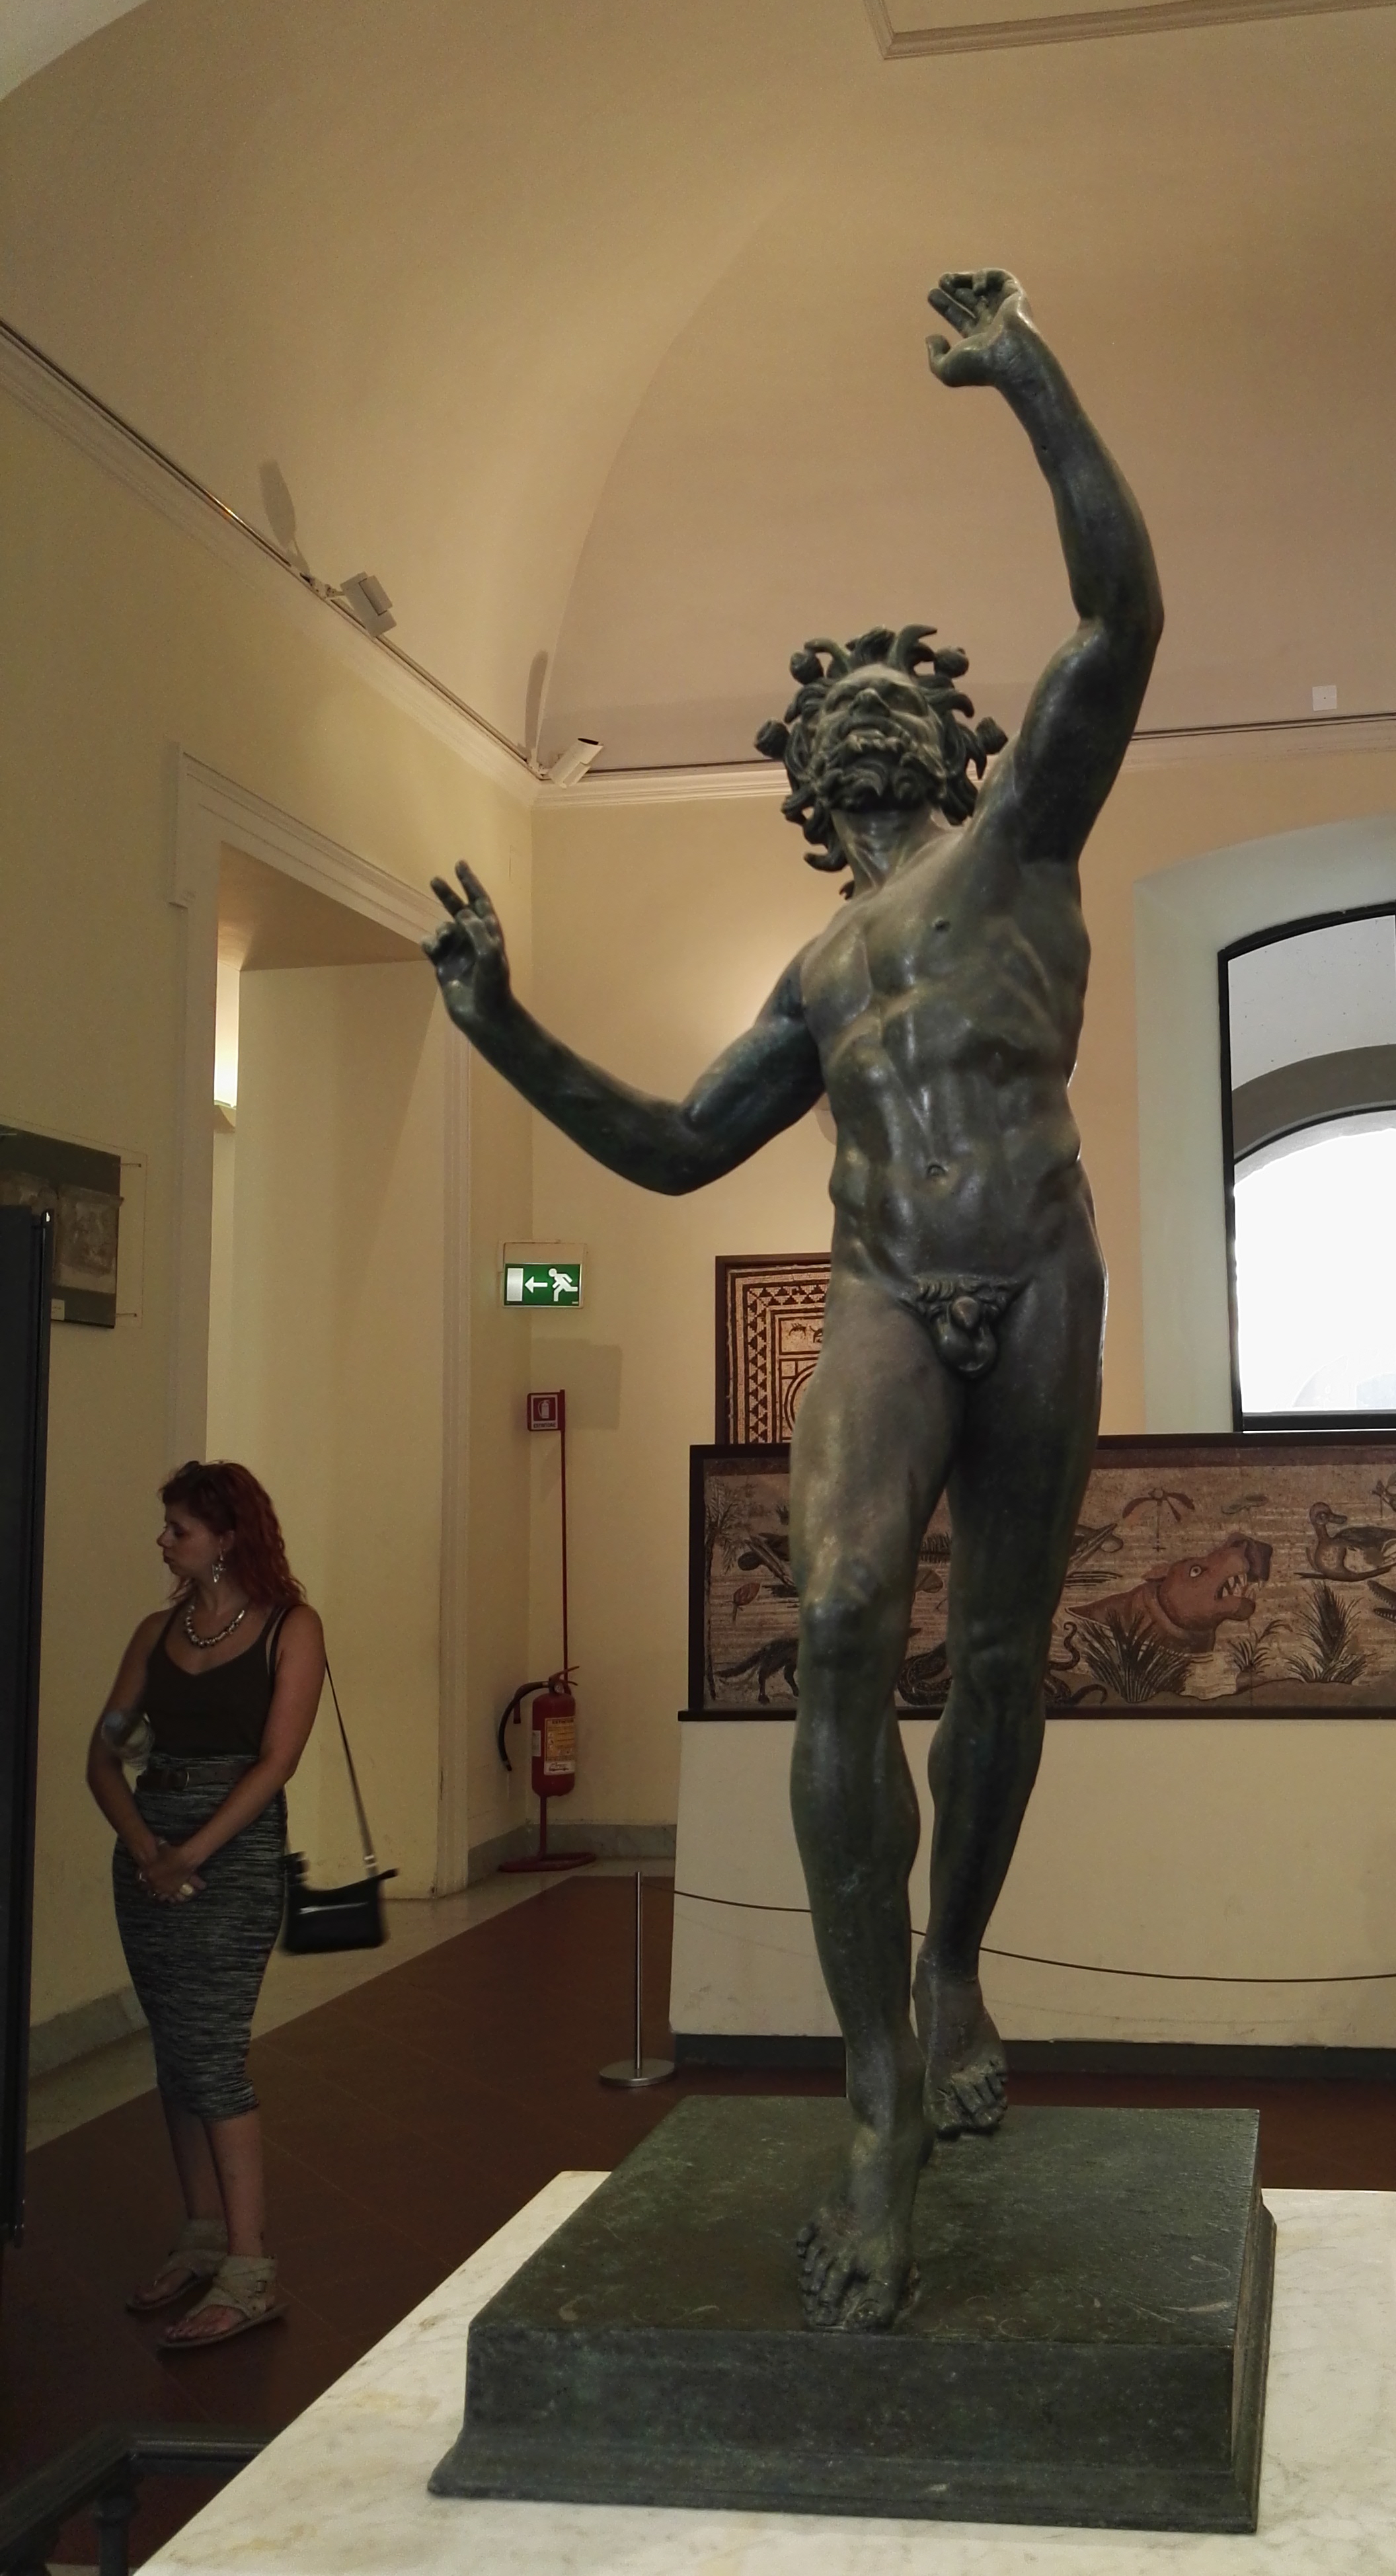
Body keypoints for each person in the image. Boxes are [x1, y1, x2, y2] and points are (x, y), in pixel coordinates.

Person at [423, 269, 1161, 2331]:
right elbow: (674, 1147)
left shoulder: (1026, 843)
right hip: (886, 1291)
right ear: (807, 784)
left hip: (1042, 1265)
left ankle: (954, 1961)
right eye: (833, 714)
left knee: (996, 1657)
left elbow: (1119, 622)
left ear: (953, 739)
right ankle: (876, 2094)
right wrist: (500, 1028)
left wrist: (1029, 376)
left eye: (897, 698)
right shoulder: (819, 976)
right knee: (839, 1619)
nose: (866, 716)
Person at [87, 1460, 325, 2347]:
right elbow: (105, 1754)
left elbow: (277, 1761)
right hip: (150, 1855)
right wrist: (147, 1849)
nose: (163, 1541)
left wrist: (192, 1851)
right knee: (176, 2053)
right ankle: (201, 2237)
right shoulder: (155, 1635)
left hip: (232, 1855)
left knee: (214, 2055)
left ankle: (250, 2268)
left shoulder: (291, 1628)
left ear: (226, 1538)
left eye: (178, 1528)